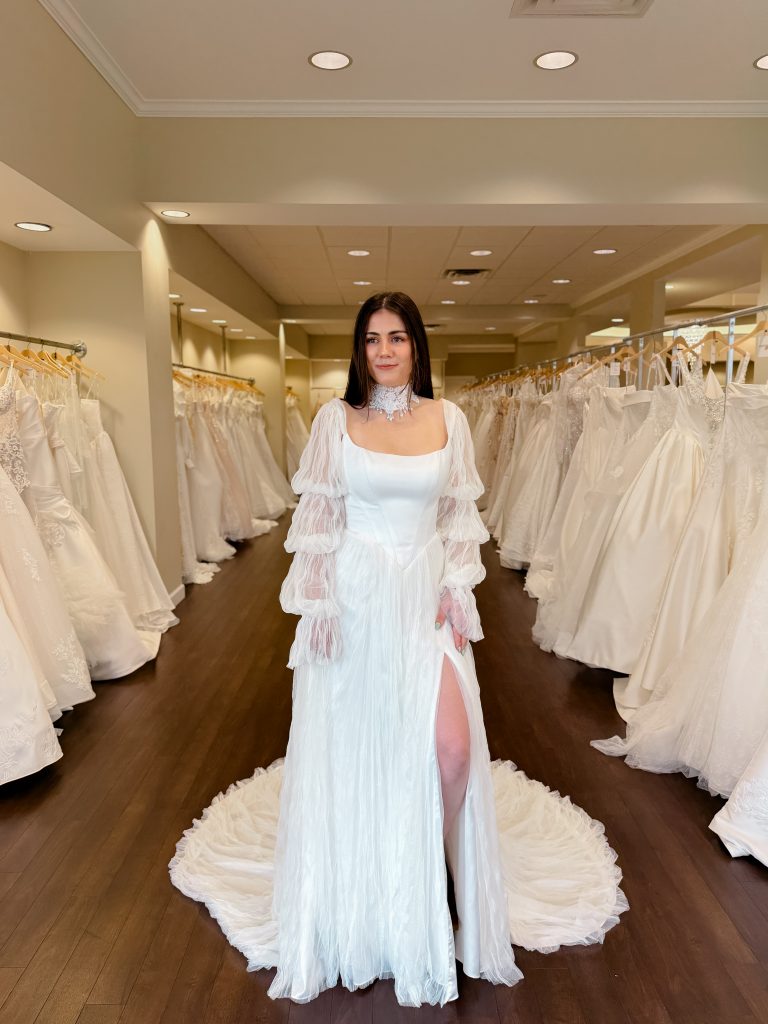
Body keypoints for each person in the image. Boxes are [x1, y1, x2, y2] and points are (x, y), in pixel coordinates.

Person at [169, 292, 628, 1008]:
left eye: (397, 337)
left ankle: (434, 865)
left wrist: (457, 590)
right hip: (352, 602)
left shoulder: (450, 419)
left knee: (449, 747)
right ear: (360, 350)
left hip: (422, 603)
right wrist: (317, 605)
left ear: (417, 346)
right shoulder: (334, 420)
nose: (384, 350)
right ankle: (368, 878)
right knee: (363, 745)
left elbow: (455, 517)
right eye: (372, 338)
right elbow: (318, 517)